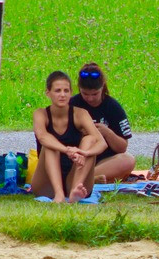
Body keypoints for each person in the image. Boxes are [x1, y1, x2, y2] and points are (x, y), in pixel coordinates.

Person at [31, 71, 106, 203]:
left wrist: (84, 152)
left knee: (89, 140)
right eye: (57, 91)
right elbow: (42, 137)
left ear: (71, 93)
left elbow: (101, 142)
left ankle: (75, 192)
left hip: (75, 174)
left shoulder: (80, 114)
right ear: (48, 93)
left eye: (66, 91)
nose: (62, 95)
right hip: (47, 182)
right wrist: (67, 150)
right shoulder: (40, 114)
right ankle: (59, 194)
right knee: (50, 145)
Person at [68, 62, 136, 183]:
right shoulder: (71, 105)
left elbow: (122, 148)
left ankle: (84, 178)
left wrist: (106, 132)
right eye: (85, 94)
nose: (90, 98)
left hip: (102, 162)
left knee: (128, 160)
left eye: (95, 94)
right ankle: (84, 178)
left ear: (102, 88)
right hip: (76, 160)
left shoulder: (113, 107)